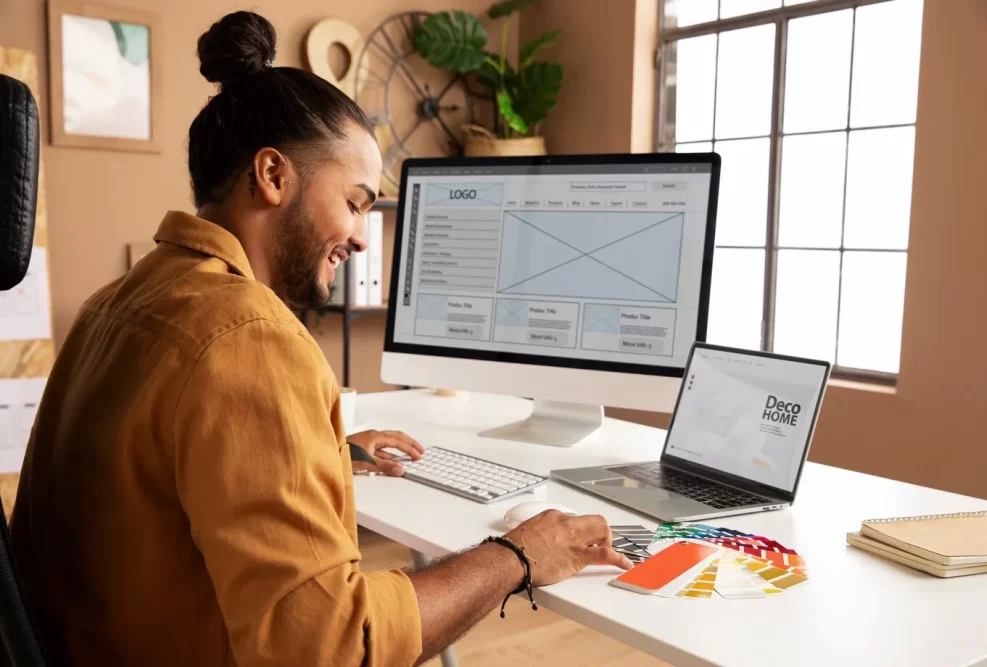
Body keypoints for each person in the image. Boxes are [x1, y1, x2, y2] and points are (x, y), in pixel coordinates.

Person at [9, 11, 631, 667]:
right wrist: (517, 556)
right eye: (356, 202)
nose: (363, 235)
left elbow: (161, 467)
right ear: (274, 175)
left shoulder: (117, 302)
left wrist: (324, 447)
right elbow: (334, 648)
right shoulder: (249, 338)